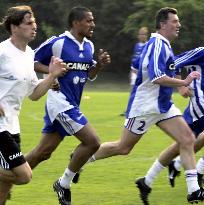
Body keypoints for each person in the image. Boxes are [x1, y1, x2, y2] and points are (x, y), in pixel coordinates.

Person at [86, 7, 204, 204]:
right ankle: (82, 159)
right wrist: (183, 83)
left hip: (163, 106)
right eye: (175, 21)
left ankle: (194, 190)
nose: (179, 25)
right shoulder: (157, 44)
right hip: (146, 106)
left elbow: (152, 69)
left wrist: (179, 83)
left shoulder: (164, 45)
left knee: (187, 139)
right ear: (163, 24)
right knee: (123, 147)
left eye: (178, 21)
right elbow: (157, 77)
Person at [137, 18, 204, 198]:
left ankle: (147, 180)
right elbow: (173, 63)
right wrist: (181, 85)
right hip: (202, 106)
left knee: (182, 143)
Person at [24, 6, 110, 205]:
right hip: (59, 103)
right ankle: (63, 184)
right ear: (75, 23)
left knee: (42, 153)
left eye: (93, 20)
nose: (93, 24)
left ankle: (6, 177)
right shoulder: (58, 42)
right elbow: (31, 61)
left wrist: (99, 66)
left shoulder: (88, 45)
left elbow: (89, 74)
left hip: (72, 104)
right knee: (93, 142)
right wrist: (51, 71)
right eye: (88, 20)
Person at [0, 5, 67, 205]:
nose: (34, 26)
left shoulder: (29, 54)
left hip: (12, 125)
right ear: (14, 27)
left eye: (34, 22)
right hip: (0, 127)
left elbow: (34, 94)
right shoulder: (2, 51)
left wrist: (51, 77)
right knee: (23, 175)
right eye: (28, 23)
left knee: (4, 188)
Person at [120, 27, 148, 116]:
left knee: (143, 91)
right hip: (134, 72)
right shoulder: (137, 45)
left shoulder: (148, 45)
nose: (141, 36)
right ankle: (129, 110)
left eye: (143, 34)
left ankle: (135, 110)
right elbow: (134, 59)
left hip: (143, 73)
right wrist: (131, 71)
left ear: (146, 36)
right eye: (140, 34)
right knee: (133, 91)